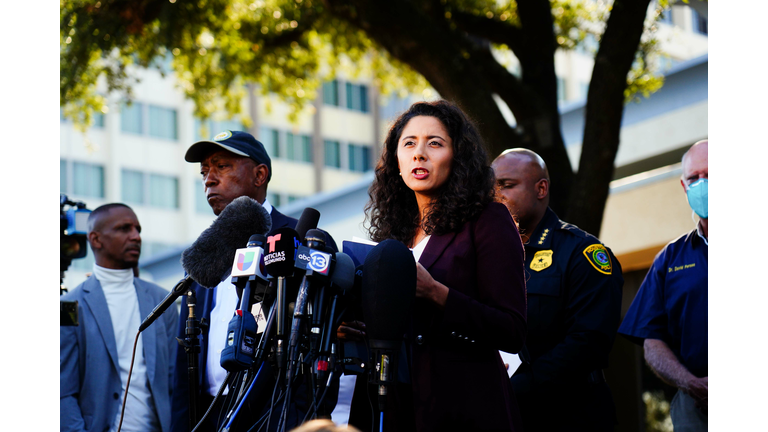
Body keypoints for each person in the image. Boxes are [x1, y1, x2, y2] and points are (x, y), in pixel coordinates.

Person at [355, 100, 528, 431]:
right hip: (396, 405)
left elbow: (512, 330)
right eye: (409, 144)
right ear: (396, 159)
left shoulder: (489, 220)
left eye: (434, 143)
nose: (419, 154)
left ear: (457, 157)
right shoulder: (392, 235)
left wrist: (436, 293)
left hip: (465, 406)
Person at [170, 130, 338, 432]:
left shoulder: (301, 240)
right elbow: (184, 361)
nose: (209, 178)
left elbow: (322, 345)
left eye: (221, 166)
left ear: (260, 175)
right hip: (209, 414)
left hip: (275, 414)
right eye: (205, 171)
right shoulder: (204, 251)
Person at [491, 148, 624, 431]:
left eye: (507, 185)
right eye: (491, 187)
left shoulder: (582, 252)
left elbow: (589, 342)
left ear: (541, 188)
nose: (495, 194)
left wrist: (518, 385)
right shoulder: (491, 257)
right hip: (509, 414)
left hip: (573, 414)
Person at [60, 203, 178, 432]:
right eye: (124, 229)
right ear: (95, 239)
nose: (135, 237)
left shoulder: (164, 300)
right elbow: (62, 389)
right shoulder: (68, 307)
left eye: (138, 229)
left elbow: (178, 381)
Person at [618, 139, 708, 431]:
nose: (702, 184)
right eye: (694, 178)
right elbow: (652, 340)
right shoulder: (670, 259)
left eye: (711, 175)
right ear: (683, 187)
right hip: (697, 407)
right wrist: (691, 383)